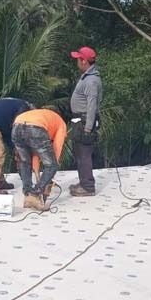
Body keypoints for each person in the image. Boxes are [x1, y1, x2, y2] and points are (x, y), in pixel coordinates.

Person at [11, 107, 68, 212]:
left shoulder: (43, 116)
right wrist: (47, 179)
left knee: (24, 161)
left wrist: (39, 176)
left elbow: (35, 155)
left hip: (16, 126)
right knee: (52, 165)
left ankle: (28, 195)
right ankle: (35, 194)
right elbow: (56, 151)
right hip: (35, 129)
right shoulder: (61, 124)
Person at [69, 46, 102, 197]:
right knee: (79, 153)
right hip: (80, 120)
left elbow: (92, 104)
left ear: (84, 61)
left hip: (84, 122)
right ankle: (83, 182)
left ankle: (88, 186)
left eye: (78, 59)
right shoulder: (87, 77)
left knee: (84, 154)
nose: (76, 62)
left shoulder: (91, 81)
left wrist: (88, 127)